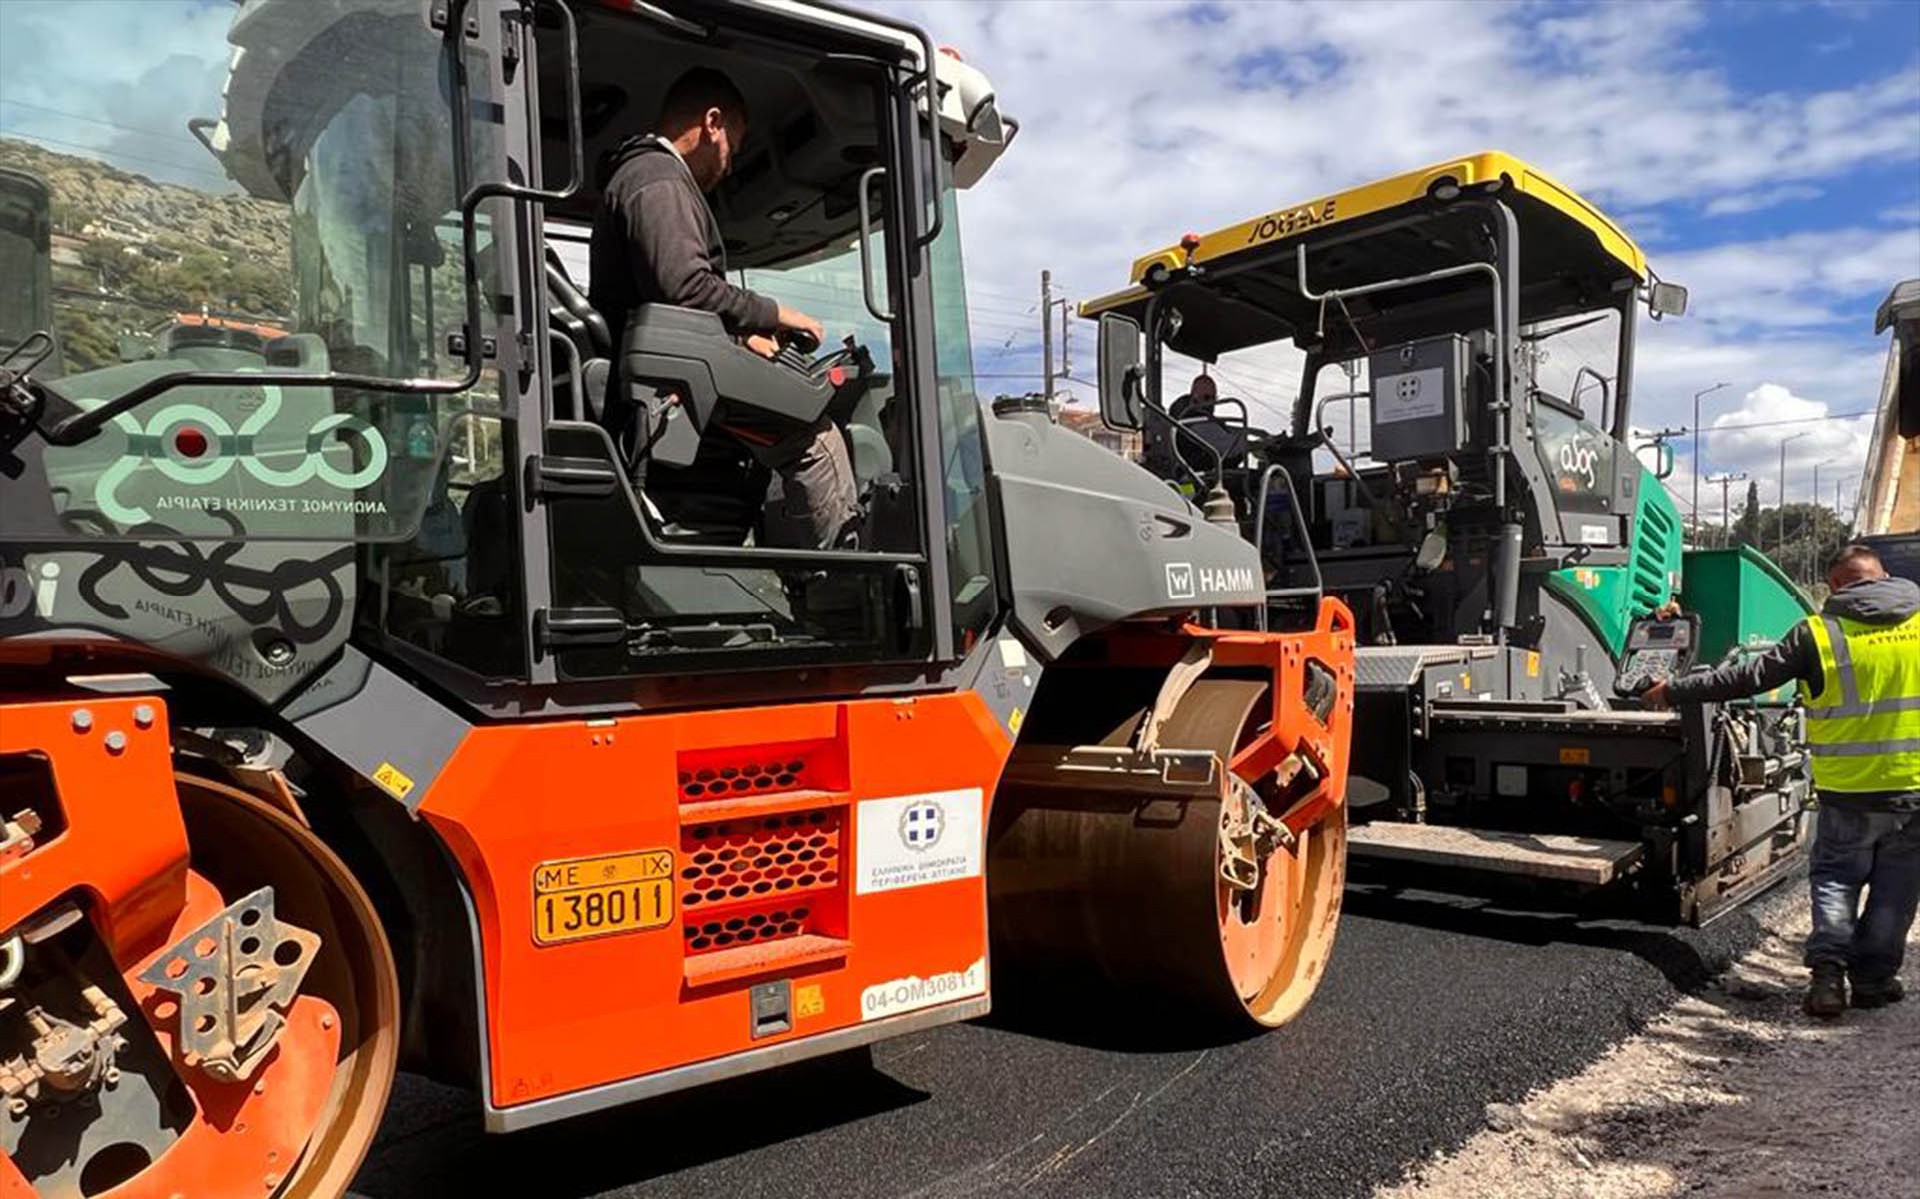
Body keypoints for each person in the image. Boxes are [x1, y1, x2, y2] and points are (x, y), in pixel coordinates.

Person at [588, 67, 859, 550]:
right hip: (665, 393)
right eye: (733, 141)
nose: (731, 162)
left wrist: (736, 338)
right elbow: (685, 285)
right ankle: (836, 589)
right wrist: (774, 313)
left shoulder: (641, 176)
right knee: (815, 440)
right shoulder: (658, 178)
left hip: (661, 379)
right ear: (713, 123)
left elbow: (663, 293)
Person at [1645, 545, 1920, 1018]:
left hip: (1846, 791)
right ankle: (1874, 982)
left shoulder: (1820, 633)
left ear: (1834, 587)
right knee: (1897, 891)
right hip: (1913, 793)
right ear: (1884, 576)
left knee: (1836, 882)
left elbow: (1747, 677)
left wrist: (1672, 690)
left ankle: (1829, 979)